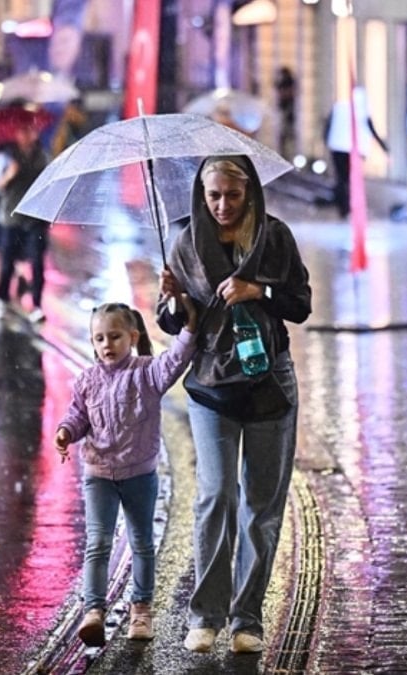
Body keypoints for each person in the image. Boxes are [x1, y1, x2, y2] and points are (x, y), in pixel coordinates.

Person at [156, 155, 312, 654]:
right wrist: (171, 301)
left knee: (261, 508)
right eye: (213, 196)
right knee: (216, 496)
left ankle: (247, 620)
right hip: (211, 385)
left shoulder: (275, 236)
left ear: (250, 194)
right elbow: (172, 323)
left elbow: (300, 304)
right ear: (201, 196)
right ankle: (206, 615)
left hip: (269, 385)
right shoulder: (185, 242)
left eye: (233, 195)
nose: (223, 205)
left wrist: (258, 290)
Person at [54, 299, 199, 646]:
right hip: (99, 474)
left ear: (132, 337)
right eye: (100, 338)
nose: (107, 344)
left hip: (139, 474)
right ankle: (93, 611)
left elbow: (175, 360)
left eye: (115, 336)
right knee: (98, 542)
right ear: (93, 342)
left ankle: (141, 609)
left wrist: (190, 328)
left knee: (142, 542)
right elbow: (78, 415)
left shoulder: (147, 373)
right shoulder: (87, 380)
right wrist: (65, 431)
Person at [0, 124, 50, 322]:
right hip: (12, 218)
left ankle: (36, 304)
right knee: (8, 262)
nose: (28, 135)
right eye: (23, 130)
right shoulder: (5, 157)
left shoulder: (43, 157)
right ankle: (1, 299)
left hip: (35, 219)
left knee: (37, 262)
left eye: (31, 130)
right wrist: (9, 175)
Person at [324, 87, 386, 218]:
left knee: (341, 178)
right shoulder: (363, 110)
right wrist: (384, 148)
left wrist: (327, 141)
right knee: (352, 179)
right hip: (356, 150)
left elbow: (328, 125)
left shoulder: (339, 107)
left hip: (337, 147)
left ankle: (343, 208)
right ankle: (351, 206)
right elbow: (371, 129)